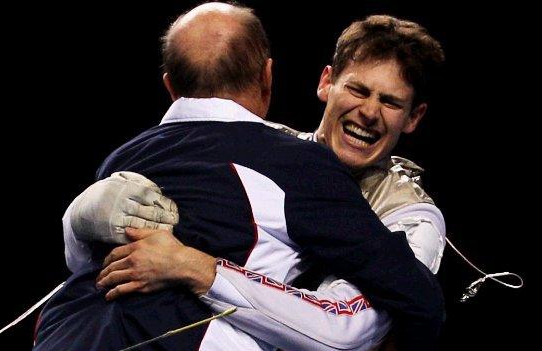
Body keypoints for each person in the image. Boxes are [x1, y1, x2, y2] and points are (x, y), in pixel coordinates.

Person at [34, 3, 443, 351]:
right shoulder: (269, 149)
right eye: (358, 90)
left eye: (390, 102)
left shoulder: (410, 213)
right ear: (326, 83)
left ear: (415, 117)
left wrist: (197, 267)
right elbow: (110, 267)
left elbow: (356, 328)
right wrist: (76, 222)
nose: (369, 111)